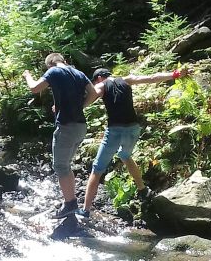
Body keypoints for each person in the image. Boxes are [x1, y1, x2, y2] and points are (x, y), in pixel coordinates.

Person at [79, 67, 186, 218]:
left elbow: (86, 101)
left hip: (115, 131)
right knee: (125, 154)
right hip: (133, 129)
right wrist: (174, 74)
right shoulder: (126, 80)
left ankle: (85, 210)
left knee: (97, 169)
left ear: (99, 78)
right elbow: (152, 77)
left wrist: (66, 109)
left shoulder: (100, 86)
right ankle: (143, 190)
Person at [24, 53, 99, 218]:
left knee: (60, 166)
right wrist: (80, 107)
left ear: (50, 64)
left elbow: (34, 88)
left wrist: (28, 75)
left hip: (66, 127)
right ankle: (70, 201)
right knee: (66, 165)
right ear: (64, 61)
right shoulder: (78, 73)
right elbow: (93, 93)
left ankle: (70, 204)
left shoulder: (54, 72)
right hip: (80, 126)